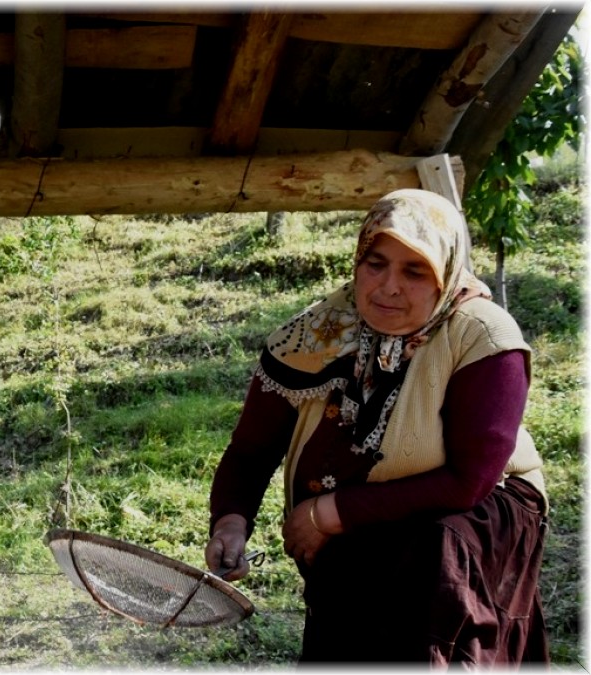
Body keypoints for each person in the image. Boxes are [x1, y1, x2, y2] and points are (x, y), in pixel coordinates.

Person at [205, 189, 549, 665]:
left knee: (431, 559)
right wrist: (230, 522)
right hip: (365, 509)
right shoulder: (317, 333)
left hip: (476, 507)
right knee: (351, 577)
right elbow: (251, 451)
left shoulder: (484, 337)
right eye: (376, 264)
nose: (389, 287)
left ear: (445, 273)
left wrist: (330, 512)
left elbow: (469, 480)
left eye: (414, 271)